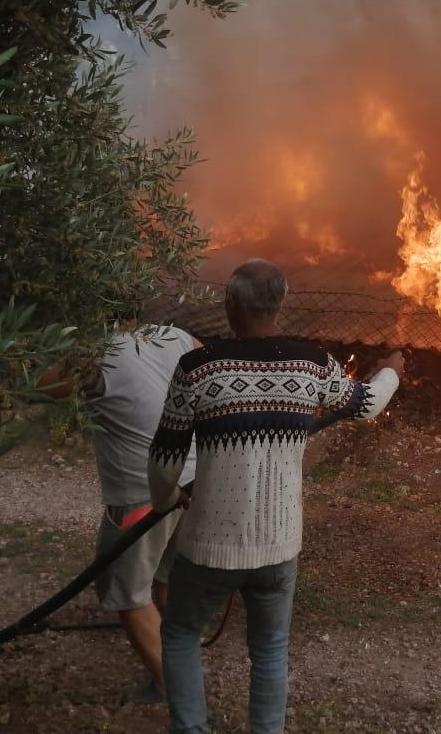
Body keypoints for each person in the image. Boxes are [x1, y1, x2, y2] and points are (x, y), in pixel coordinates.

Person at [148, 259, 402, 734]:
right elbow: (367, 405)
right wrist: (391, 370)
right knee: (268, 650)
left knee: (181, 634)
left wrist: (167, 501)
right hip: (278, 546)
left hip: (208, 547)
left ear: (228, 305)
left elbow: (165, 459)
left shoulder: (197, 370)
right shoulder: (311, 365)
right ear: (281, 304)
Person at [40, 318, 199, 705]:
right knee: (167, 575)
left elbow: (40, 386)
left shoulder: (95, 355)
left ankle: (172, 688)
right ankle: (181, 652)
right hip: (196, 480)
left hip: (142, 495)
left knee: (126, 591)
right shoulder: (178, 336)